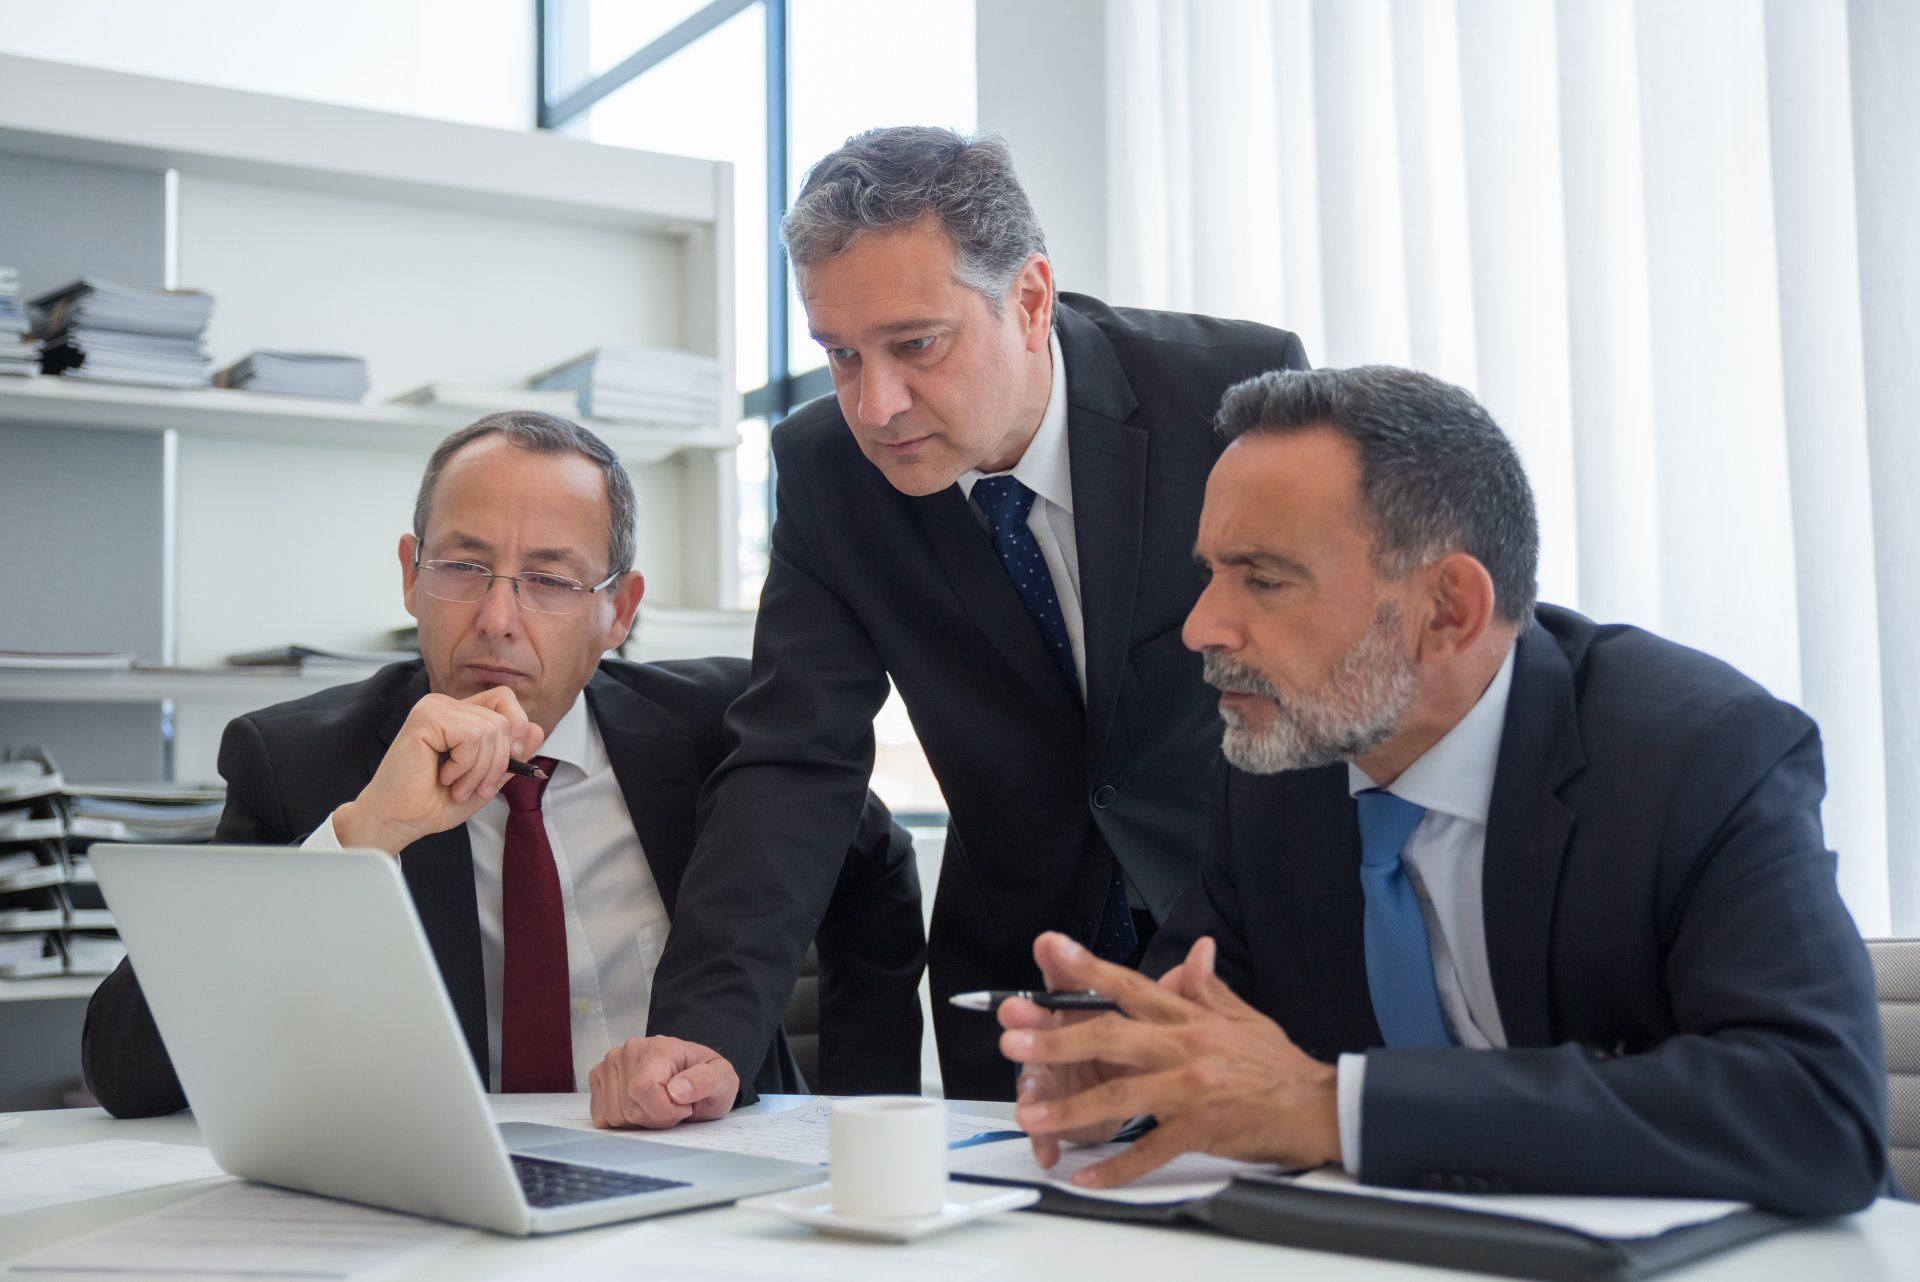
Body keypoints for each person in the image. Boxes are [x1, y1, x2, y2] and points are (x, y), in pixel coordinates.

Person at [997, 366, 1893, 1215]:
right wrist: (1114, 1077)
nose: (1200, 627)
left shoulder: (1699, 754)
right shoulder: (1277, 768)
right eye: (1210, 574)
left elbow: (1816, 1107)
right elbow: (1204, 1034)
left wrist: (1331, 1108)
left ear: (1449, 610)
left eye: (1264, 579)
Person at [641, 126, 1311, 1101]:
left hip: (1256, 960)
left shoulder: (1227, 398)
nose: (877, 404)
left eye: (916, 345)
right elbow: (794, 762)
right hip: (1019, 991)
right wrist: (704, 1035)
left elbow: (1331, 693)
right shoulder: (829, 473)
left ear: (1029, 300)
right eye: (840, 355)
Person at [82, 412, 925, 1125]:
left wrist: (849, 1119)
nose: (497, 619)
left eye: (550, 581)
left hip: (704, 1179)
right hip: (449, 1198)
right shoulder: (301, 761)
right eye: (462, 568)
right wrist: (369, 832)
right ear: (411, 576)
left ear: (619, 612)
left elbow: (876, 876)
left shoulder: (724, 732)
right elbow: (126, 1072)